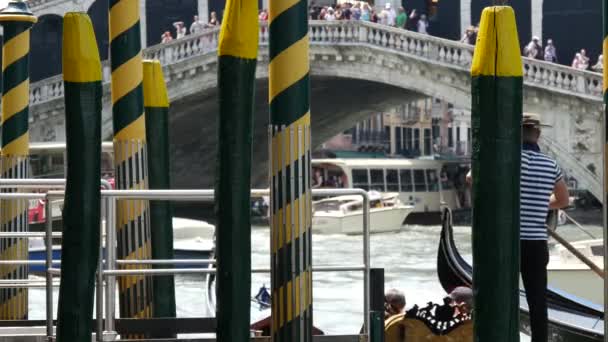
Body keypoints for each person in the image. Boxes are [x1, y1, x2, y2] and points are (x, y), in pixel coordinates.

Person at [467, 113, 569, 342]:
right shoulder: (551, 165)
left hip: (507, 243)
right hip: (536, 243)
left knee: (503, 297)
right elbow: (563, 201)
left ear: (514, 133)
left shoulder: (505, 159)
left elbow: (471, 179)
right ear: (538, 135)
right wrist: (542, 202)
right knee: (537, 301)